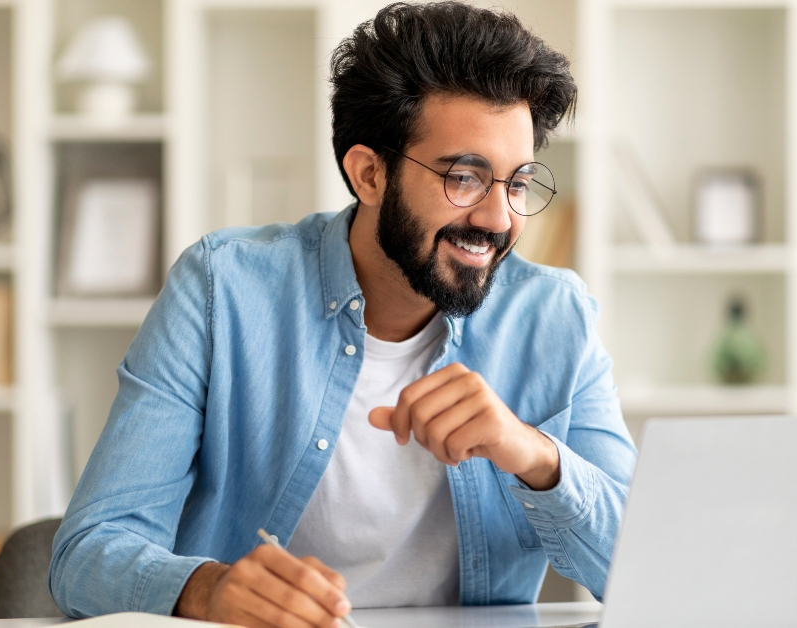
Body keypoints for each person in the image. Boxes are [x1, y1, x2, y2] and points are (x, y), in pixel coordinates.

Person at [49, 3, 636, 627]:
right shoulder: (225, 289)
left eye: (517, 184)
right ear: (369, 174)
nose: (498, 219)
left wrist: (536, 456)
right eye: (464, 178)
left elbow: (645, 569)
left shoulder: (555, 316)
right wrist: (206, 590)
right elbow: (85, 554)